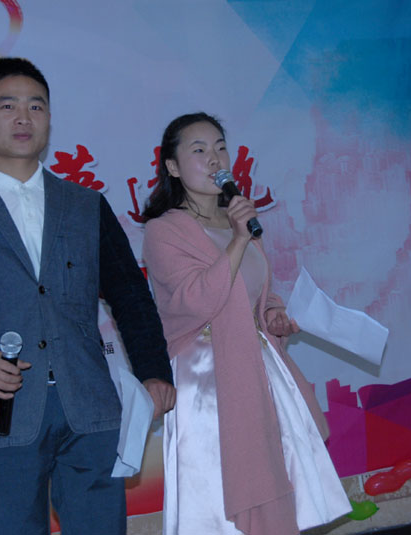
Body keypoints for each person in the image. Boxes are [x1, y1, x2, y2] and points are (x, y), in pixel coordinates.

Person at [0, 57, 176, 535]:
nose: (23, 117)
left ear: (49, 117)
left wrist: (154, 370)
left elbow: (130, 294)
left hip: (90, 408)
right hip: (1, 416)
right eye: (7, 106)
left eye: (36, 106)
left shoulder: (87, 205)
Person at [141, 112, 351, 535]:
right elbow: (198, 300)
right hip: (207, 380)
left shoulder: (239, 221)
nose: (215, 159)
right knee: (221, 498)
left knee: (278, 480)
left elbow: (253, 291)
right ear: (173, 167)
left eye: (220, 148)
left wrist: (272, 314)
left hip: (258, 369)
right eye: (199, 150)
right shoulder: (164, 231)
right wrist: (238, 239)